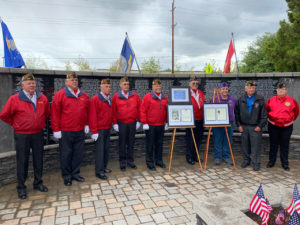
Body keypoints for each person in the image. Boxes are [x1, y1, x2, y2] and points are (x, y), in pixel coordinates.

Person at [0, 73, 50, 199]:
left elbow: (47, 113)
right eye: (29, 83)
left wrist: (39, 122)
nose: (32, 85)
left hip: (38, 134)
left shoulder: (42, 98)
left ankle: (38, 183)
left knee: (38, 160)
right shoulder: (15, 99)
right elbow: (4, 115)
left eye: (33, 83)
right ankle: (21, 187)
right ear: (22, 86)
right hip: (22, 135)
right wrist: (16, 124)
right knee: (22, 161)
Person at [51, 72, 90, 186]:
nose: (74, 82)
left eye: (76, 80)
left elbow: (86, 112)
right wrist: (56, 129)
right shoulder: (60, 95)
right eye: (71, 80)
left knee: (78, 153)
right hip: (66, 131)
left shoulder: (83, 95)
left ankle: (75, 173)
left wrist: (86, 124)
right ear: (66, 82)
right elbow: (55, 113)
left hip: (79, 130)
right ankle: (67, 176)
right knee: (66, 154)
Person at [265, 82, 299, 171]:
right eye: (279, 89)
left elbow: (296, 112)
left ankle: (285, 163)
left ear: (286, 91)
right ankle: (271, 162)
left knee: (285, 145)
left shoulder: (291, 100)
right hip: (273, 126)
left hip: (286, 127)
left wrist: (289, 119)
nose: (280, 91)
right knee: (273, 145)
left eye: (282, 89)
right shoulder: (271, 100)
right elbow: (267, 110)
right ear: (276, 90)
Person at [234, 80, 267, 171]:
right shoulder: (241, 99)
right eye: (249, 87)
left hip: (255, 127)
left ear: (255, 88)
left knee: (255, 147)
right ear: (245, 89)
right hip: (244, 126)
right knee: (245, 146)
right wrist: (239, 125)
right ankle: (246, 160)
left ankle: (256, 163)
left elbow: (264, 115)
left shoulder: (260, 99)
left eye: (252, 87)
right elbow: (236, 113)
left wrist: (260, 126)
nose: (251, 89)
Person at [112, 76, 141, 171]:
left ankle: (130, 161)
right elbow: (113, 111)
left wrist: (139, 120)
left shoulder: (134, 95)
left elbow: (139, 108)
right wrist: (115, 123)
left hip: (132, 122)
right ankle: (122, 162)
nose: (126, 86)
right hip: (122, 123)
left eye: (128, 84)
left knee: (131, 143)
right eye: (124, 84)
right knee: (122, 143)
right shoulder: (116, 96)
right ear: (120, 85)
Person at [140, 79, 169, 171]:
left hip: (161, 125)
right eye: (156, 86)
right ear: (152, 87)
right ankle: (150, 162)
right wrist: (144, 122)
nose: (158, 87)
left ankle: (159, 161)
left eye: (159, 86)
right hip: (150, 125)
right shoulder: (147, 97)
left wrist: (167, 122)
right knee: (150, 145)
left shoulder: (164, 97)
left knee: (159, 144)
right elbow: (142, 110)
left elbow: (167, 110)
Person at [89, 78, 113, 180]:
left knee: (106, 149)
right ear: (101, 87)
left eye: (109, 87)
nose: (108, 88)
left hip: (107, 127)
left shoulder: (109, 98)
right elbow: (92, 116)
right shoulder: (95, 99)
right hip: (99, 129)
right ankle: (99, 171)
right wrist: (94, 131)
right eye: (106, 87)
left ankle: (104, 167)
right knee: (100, 151)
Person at [211, 82, 236, 165]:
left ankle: (226, 157)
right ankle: (217, 157)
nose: (224, 90)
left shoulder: (232, 100)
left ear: (228, 89)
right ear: (219, 90)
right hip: (218, 124)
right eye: (222, 89)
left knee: (227, 140)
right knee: (217, 140)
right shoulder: (214, 99)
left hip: (229, 123)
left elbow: (236, 111)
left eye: (226, 89)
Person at [186, 76, 205, 165]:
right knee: (190, 140)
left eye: (197, 83)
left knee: (198, 139)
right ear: (189, 84)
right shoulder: (187, 94)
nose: (195, 85)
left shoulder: (200, 93)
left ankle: (195, 155)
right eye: (193, 83)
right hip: (191, 120)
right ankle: (189, 156)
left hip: (200, 119)